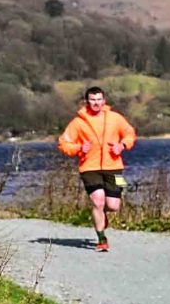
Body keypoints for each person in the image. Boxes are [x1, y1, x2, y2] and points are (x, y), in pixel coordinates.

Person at [56, 86, 136, 252]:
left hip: (114, 167)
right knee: (98, 200)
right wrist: (79, 148)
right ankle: (102, 239)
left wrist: (122, 145)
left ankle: (102, 213)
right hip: (89, 167)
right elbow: (64, 143)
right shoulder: (78, 122)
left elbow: (130, 133)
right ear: (87, 102)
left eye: (99, 99)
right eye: (92, 100)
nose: (96, 103)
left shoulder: (115, 118)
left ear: (104, 101)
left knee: (113, 205)